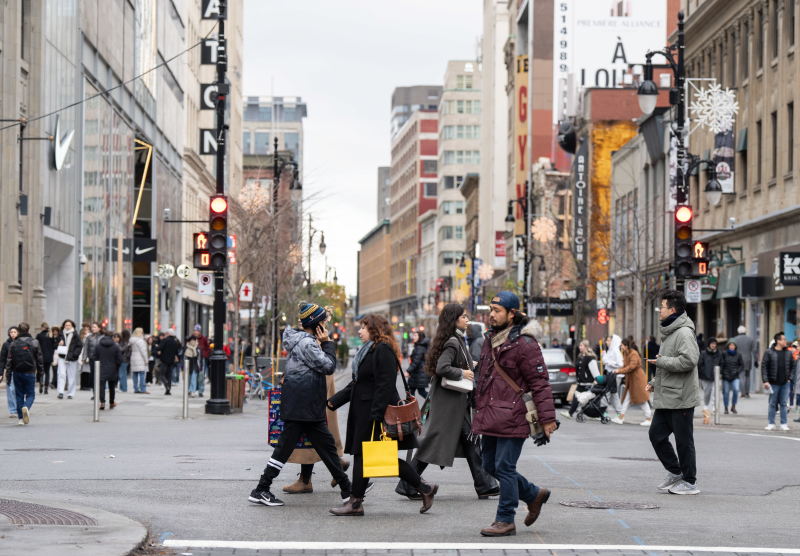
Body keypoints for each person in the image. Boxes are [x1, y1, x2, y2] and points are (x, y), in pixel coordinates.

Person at [328, 314, 437, 517]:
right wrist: (333, 401)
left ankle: (355, 502)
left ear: (375, 329)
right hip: (366, 412)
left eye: (364, 327)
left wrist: (376, 416)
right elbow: (358, 383)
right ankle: (425, 488)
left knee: (364, 456)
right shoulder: (369, 350)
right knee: (376, 458)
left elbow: (385, 385)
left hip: (374, 414)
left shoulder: (383, 350)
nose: (360, 331)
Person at [249, 302, 352, 508]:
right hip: (304, 404)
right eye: (323, 322)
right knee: (293, 448)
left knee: (324, 447)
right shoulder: (307, 344)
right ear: (317, 325)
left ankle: (347, 490)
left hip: (303, 403)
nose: (325, 326)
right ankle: (261, 489)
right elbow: (328, 366)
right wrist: (327, 343)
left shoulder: (300, 341)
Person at [472, 292, 557, 537]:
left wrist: (548, 418)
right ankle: (533, 494)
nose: (491, 315)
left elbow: (540, 382)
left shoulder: (525, 343)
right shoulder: (491, 339)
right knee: (489, 465)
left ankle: (505, 519)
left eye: (497, 311)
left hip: (514, 413)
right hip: (491, 413)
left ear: (512, 314)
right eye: (491, 310)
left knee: (504, 466)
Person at [396, 304, 499, 501]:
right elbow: (443, 367)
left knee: (471, 441)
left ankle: (484, 484)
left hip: (455, 404)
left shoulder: (455, 338)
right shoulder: (453, 341)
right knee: (433, 442)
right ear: (454, 319)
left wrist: (470, 365)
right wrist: (463, 372)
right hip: (448, 405)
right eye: (464, 317)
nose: (467, 320)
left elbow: (451, 363)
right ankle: (408, 484)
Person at [645, 290, 701, 495]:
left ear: (673, 310)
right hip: (667, 395)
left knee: (683, 441)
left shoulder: (684, 332)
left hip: (681, 397)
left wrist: (661, 362)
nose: (659, 310)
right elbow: (668, 362)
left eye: (662, 307)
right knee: (656, 435)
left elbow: (689, 361)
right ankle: (675, 472)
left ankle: (690, 481)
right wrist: (654, 382)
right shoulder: (670, 331)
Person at [4, 322, 43, 425]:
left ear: (18, 331)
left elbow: (9, 361)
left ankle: (21, 418)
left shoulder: (13, 343)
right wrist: (40, 374)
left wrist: (8, 376)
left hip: (17, 372)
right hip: (30, 372)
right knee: (30, 394)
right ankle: (26, 406)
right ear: (28, 330)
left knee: (19, 395)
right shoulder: (35, 342)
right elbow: (39, 360)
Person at [612, 338, 652, 426]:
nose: (621, 347)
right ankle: (621, 417)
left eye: (622, 345)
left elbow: (631, 366)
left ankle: (648, 418)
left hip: (637, 379)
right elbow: (626, 366)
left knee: (642, 400)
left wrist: (619, 371)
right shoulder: (626, 353)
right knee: (628, 399)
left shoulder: (633, 353)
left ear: (626, 346)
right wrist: (619, 370)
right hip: (633, 379)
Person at [560, 339, 600, 419]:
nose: (579, 347)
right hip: (581, 383)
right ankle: (570, 413)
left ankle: (598, 413)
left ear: (586, 347)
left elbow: (595, 371)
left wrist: (597, 379)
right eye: (579, 345)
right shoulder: (581, 357)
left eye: (581, 345)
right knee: (577, 397)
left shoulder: (590, 358)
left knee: (581, 398)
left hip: (587, 383)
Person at [761, 332, 793, 431]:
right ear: (778, 341)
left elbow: (793, 367)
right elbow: (764, 367)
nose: (785, 341)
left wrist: (790, 378)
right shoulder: (769, 352)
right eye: (784, 339)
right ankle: (771, 423)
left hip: (785, 383)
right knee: (772, 403)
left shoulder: (788, 353)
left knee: (784, 403)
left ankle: (784, 423)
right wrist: (765, 381)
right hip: (773, 383)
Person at [96, 330, 122, 410]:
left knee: (101, 386)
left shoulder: (98, 346)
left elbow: (94, 357)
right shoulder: (115, 346)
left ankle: (102, 402)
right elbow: (119, 359)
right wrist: (117, 366)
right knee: (112, 387)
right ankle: (111, 402)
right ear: (112, 337)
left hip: (101, 368)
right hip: (112, 368)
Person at [697, 338, 721, 425]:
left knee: (716, 392)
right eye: (712, 344)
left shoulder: (719, 353)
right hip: (706, 377)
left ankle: (714, 407)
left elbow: (722, 363)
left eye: (715, 344)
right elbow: (700, 364)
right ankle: (706, 406)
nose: (713, 345)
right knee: (707, 392)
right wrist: (702, 373)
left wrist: (720, 372)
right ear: (709, 345)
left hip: (716, 376)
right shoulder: (703, 353)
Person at [56, 320, 82, 400]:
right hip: (62, 357)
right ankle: (60, 392)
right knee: (61, 374)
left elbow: (79, 346)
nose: (67, 326)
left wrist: (75, 354)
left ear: (72, 326)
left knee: (71, 376)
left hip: (72, 358)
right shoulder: (60, 334)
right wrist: (58, 343)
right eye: (66, 325)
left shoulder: (75, 335)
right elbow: (54, 344)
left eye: (69, 325)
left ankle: (70, 393)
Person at [729, 326, 757, 398]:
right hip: (748, 360)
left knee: (741, 376)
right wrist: (756, 360)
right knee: (747, 376)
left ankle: (743, 393)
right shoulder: (750, 339)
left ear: (738, 331)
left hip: (739, 360)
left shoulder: (735, 339)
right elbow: (754, 351)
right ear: (745, 331)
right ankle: (747, 393)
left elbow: (732, 350)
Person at [602, 334, 624, 415]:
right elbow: (606, 361)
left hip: (614, 375)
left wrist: (608, 362)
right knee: (613, 393)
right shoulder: (610, 350)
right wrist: (604, 356)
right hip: (609, 374)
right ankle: (618, 412)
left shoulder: (616, 351)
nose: (606, 342)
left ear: (613, 341)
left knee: (609, 393)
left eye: (608, 340)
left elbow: (620, 364)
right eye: (607, 340)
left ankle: (604, 411)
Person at [720, 341, 744, 414]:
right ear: (728, 346)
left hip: (735, 376)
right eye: (730, 345)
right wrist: (723, 373)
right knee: (726, 392)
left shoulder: (738, 354)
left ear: (735, 347)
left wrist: (737, 371)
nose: (732, 347)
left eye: (733, 345)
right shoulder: (724, 354)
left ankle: (733, 406)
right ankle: (726, 407)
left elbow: (741, 365)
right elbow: (721, 364)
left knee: (736, 390)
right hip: (726, 376)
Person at [405, 331, 430, 398]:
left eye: (415, 335)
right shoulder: (419, 346)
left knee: (417, 392)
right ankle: (431, 401)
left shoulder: (420, 348)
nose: (414, 337)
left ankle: (432, 401)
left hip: (418, 374)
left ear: (420, 337)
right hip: (417, 374)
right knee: (413, 392)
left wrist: (408, 371)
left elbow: (416, 362)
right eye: (414, 335)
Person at [2, 327, 19, 418]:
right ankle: (13, 410)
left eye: (14, 332)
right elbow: (2, 360)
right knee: (10, 389)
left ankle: (20, 407)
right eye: (11, 332)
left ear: (18, 333)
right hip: (10, 370)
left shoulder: (21, 343)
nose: (13, 333)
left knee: (19, 390)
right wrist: (1, 373)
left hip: (20, 369)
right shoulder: (6, 344)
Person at [157, 330, 180, 395]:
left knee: (161, 374)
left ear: (168, 334)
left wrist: (157, 350)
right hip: (171, 361)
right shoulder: (175, 341)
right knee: (169, 375)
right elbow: (177, 351)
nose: (165, 335)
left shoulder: (165, 340)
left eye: (166, 333)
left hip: (164, 360)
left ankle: (166, 383)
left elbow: (159, 348)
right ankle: (168, 390)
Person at [36, 323, 56, 395]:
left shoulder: (39, 336)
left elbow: (36, 345)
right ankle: (46, 388)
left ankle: (41, 383)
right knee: (47, 372)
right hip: (49, 357)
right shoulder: (51, 335)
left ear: (42, 327)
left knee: (41, 371)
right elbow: (54, 346)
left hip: (41, 356)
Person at [130, 328, 149, 394]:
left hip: (133, 358)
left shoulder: (131, 340)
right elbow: (143, 352)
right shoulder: (140, 341)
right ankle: (143, 389)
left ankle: (136, 389)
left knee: (135, 374)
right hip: (140, 358)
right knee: (142, 374)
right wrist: (146, 360)